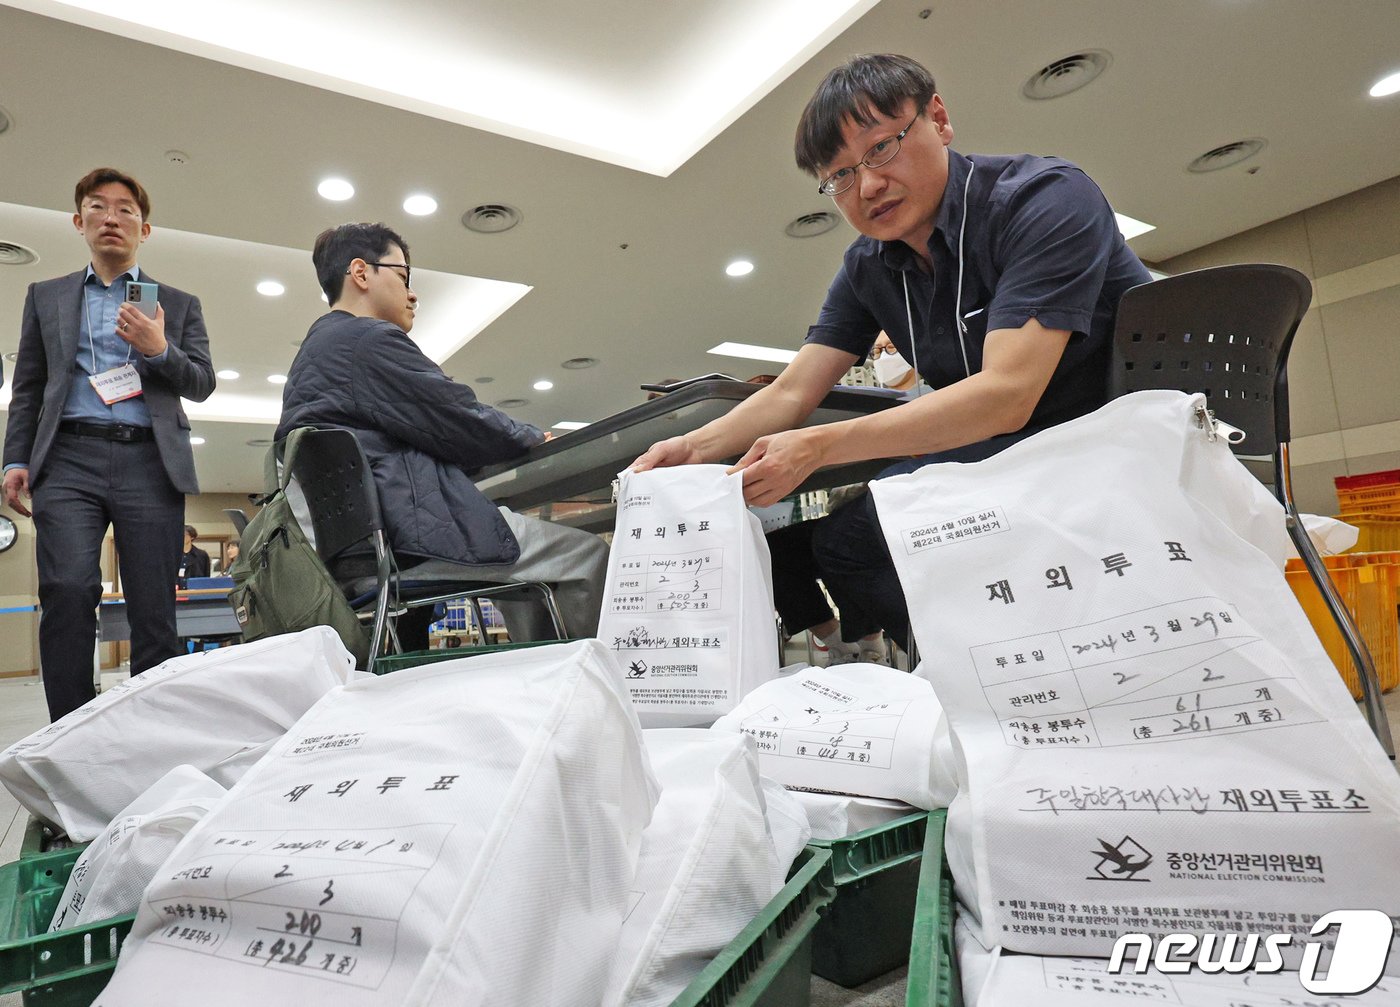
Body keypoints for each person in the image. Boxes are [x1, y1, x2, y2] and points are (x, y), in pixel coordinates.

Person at [634, 54, 1151, 651]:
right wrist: (691, 449)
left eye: (880, 149)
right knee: (846, 544)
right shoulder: (867, 266)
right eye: (841, 177)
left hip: (1105, 436)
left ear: (938, 117)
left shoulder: (1042, 198)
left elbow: (1008, 394)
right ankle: (979, 664)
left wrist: (820, 446)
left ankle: (1030, 653)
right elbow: (793, 391)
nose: (868, 186)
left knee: (870, 534)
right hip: (1005, 451)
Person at [275, 222, 608, 648]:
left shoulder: (316, 353)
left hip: (353, 552)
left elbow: (426, 428)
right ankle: (602, 686)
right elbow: (457, 417)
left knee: (527, 573)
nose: (412, 293)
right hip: (406, 539)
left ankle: (547, 673)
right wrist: (530, 436)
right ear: (361, 273)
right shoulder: (367, 340)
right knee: (588, 555)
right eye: (403, 276)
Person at [2, 167, 216, 721]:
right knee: (68, 591)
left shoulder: (177, 302)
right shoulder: (45, 297)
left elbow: (201, 383)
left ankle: (148, 736)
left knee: (153, 610)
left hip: (150, 459)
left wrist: (158, 348)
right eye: (98, 207)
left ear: (146, 230)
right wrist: (16, 458)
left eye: (126, 210)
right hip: (68, 457)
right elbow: (28, 385)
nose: (112, 218)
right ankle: (72, 737)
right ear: (79, 222)